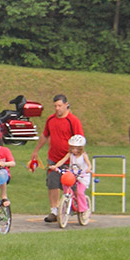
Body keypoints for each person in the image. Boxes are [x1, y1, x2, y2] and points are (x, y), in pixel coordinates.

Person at [30, 94, 84, 223]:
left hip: (70, 160)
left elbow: (80, 139)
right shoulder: (51, 119)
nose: (57, 109)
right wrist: (36, 150)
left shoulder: (73, 120)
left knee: (73, 185)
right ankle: (54, 210)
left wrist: (78, 155)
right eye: (55, 106)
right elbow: (45, 135)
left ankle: (79, 206)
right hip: (54, 158)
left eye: (60, 106)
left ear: (66, 105)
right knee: (52, 183)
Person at [50, 134, 92, 222]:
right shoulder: (70, 154)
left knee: (80, 192)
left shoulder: (83, 155)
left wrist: (88, 169)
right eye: (72, 148)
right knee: (66, 186)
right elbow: (62, 161)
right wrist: (55, 166)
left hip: (82, 176)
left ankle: (84, 210)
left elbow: (88, 164)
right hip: (72, 175)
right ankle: (67, 202)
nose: (74, 150)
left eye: (76, 148)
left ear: (81, 148)